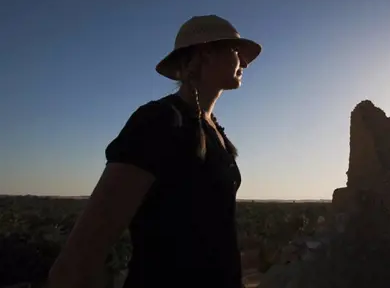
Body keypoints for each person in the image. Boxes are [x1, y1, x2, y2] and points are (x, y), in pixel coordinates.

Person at [48, 15, 262, 288]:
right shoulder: (159, 121)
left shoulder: (213, 130)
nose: (244, 62)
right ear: (206, 53)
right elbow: (77, 261)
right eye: (235, 51)